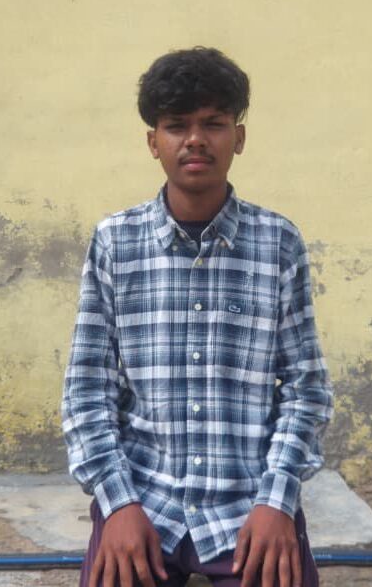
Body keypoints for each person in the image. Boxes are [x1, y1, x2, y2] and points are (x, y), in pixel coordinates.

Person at [62, 46, 333, 587]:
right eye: (176, 125)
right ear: (153, 142)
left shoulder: (277, 243)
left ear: (239, 137)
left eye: (213, 123)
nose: (195, 139)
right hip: (145, 499)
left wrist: (277, 500)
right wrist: (117, 504)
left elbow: (306, 388)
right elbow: (87, 389)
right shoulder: (116, 242)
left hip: (246, 503)